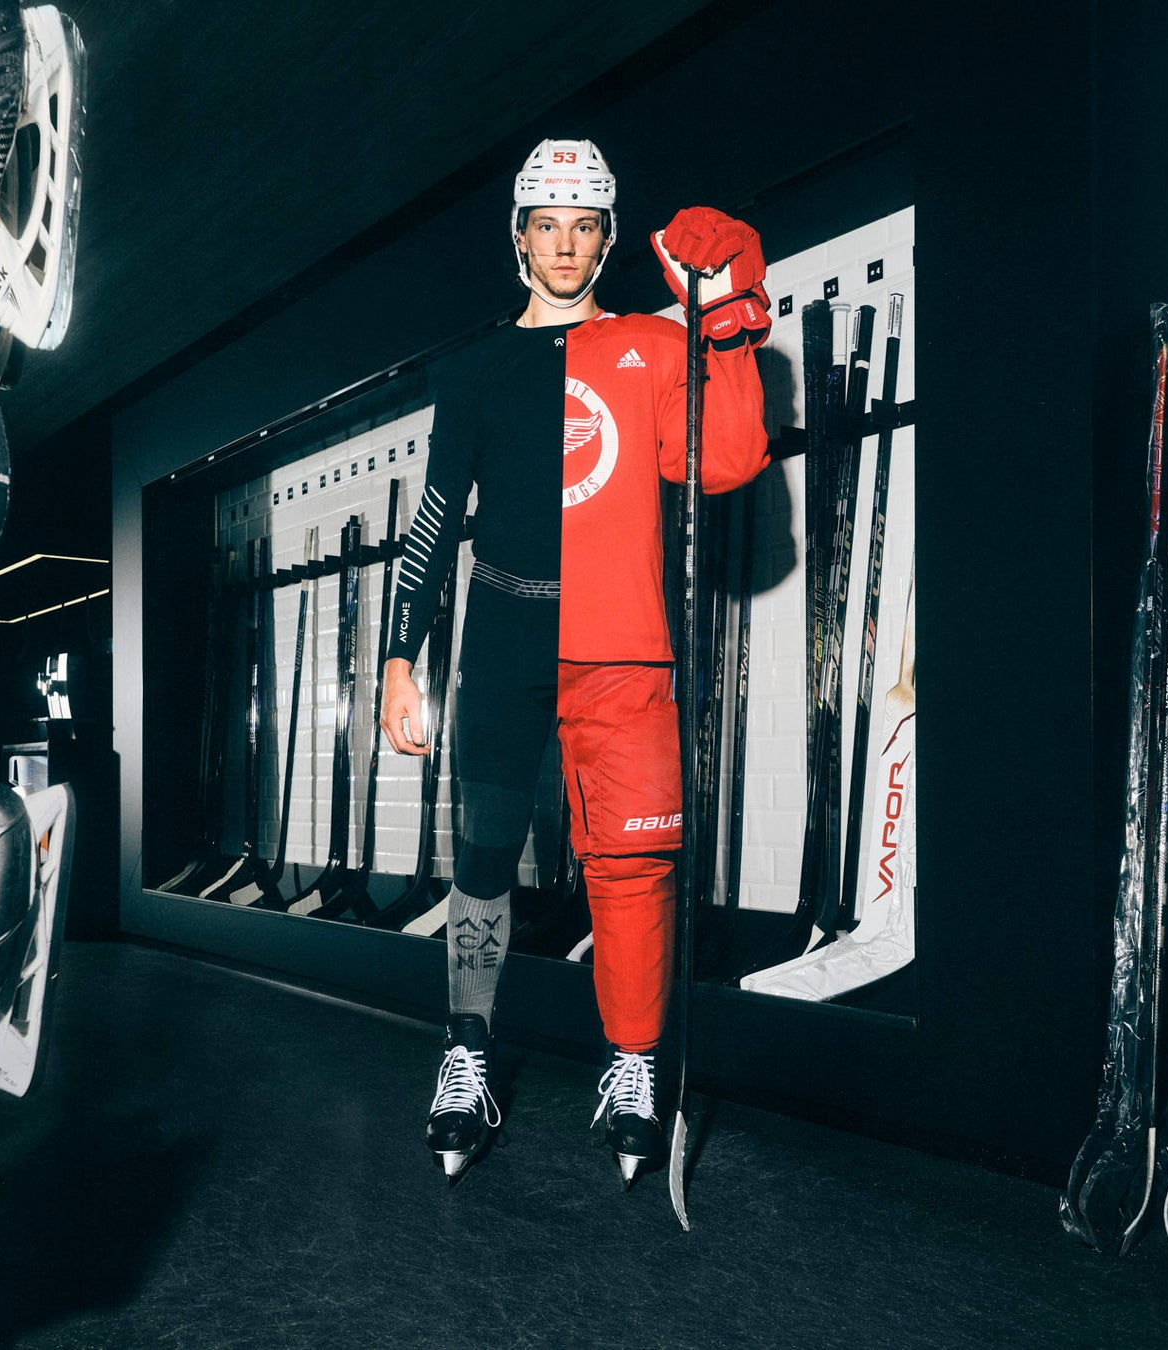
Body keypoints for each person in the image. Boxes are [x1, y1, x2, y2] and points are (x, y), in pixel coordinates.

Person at [378, 137, 771, 1184]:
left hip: (621, 648)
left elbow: (729, 457)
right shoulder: (472, 368)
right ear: (520, 239)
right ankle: (466, 1057)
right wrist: (400, 659)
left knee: (632, 865)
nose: (564, 245)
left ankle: (633, 1067)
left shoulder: (647, 344)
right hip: (504, 641)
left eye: (583, 226)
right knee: (482, 861)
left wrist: (727, 313)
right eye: (546, 226)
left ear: (606, 238)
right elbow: (434, 519)